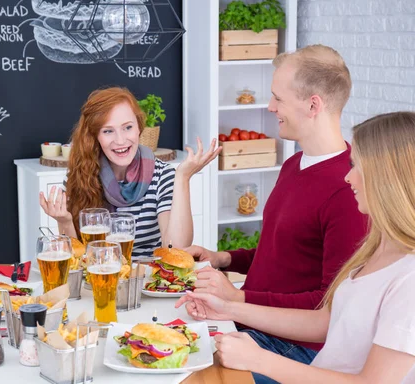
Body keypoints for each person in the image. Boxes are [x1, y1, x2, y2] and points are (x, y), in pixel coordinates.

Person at [177, 111, 415, 383]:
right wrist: (227, 309)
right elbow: (325, 323)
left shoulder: (409, 280)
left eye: (358, 166)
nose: (348, 177)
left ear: (390, 179)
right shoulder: (377, 246)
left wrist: (260, 359)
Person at [186, 45, 368, 372]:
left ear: (313, 105)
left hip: (296, 350)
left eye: (278, 98)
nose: (270, 107)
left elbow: (326, 307)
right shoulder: (295, 163)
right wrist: (225, 258)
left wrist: (238, 300)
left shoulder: (350, 190)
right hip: (255, 324)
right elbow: (284, 249)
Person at [39, 86, 219, 256]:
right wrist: (64, 221)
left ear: (139, 128)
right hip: (100, 278)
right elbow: (76, 256)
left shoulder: (161, 175)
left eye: (128, 127)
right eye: (108, 131)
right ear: (95, 137)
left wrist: (182, 178)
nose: (120, 140)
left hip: (147, 280)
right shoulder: (80, 174)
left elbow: (176, 249)